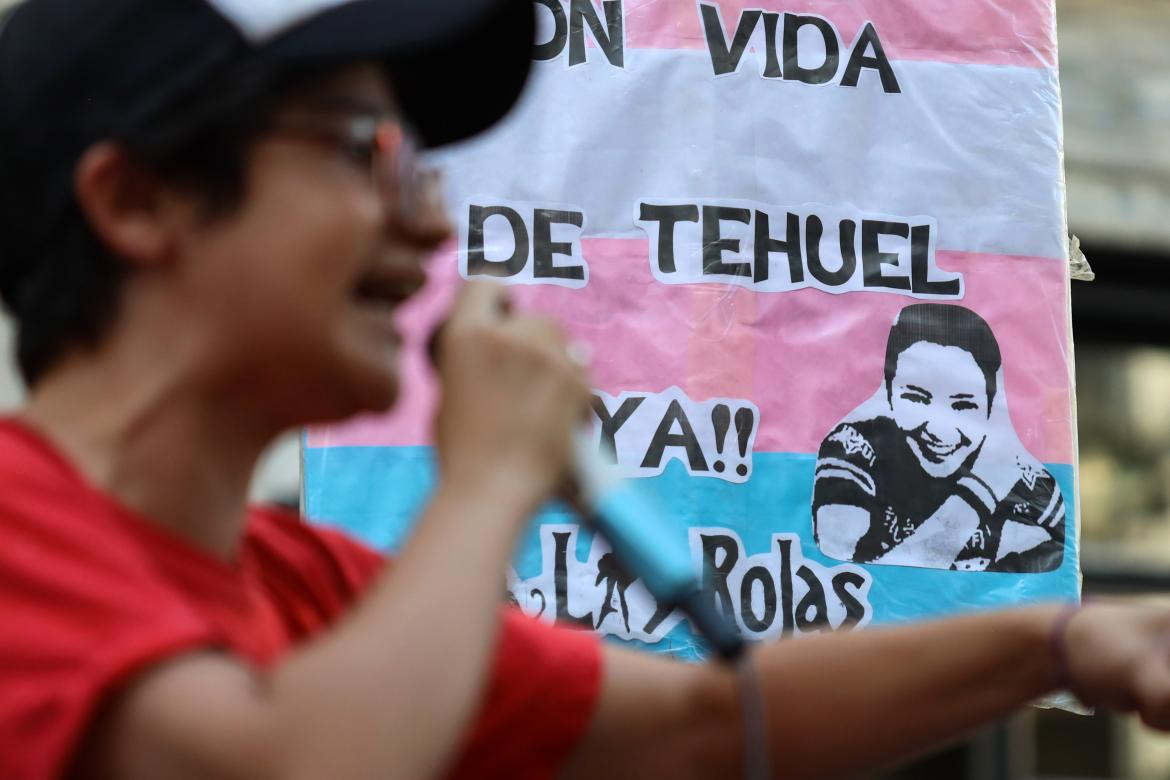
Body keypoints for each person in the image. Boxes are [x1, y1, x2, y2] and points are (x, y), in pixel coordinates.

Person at [1, 2, 1170, 779]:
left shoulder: (310, 589)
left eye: (423, 161)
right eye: (364, 148)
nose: (429, 222)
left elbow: (707, 720)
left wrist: (1067, 644)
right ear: (138, 201)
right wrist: (492, 481)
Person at [813, 304, 1064, 573]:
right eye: (916, 398)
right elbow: (846, 569)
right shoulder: (853, 446)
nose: (938, 431)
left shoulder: (1031, 484)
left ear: (991, 406)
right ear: (888, 393)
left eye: (964, 406)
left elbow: (1047, 586)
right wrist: (979, 495)